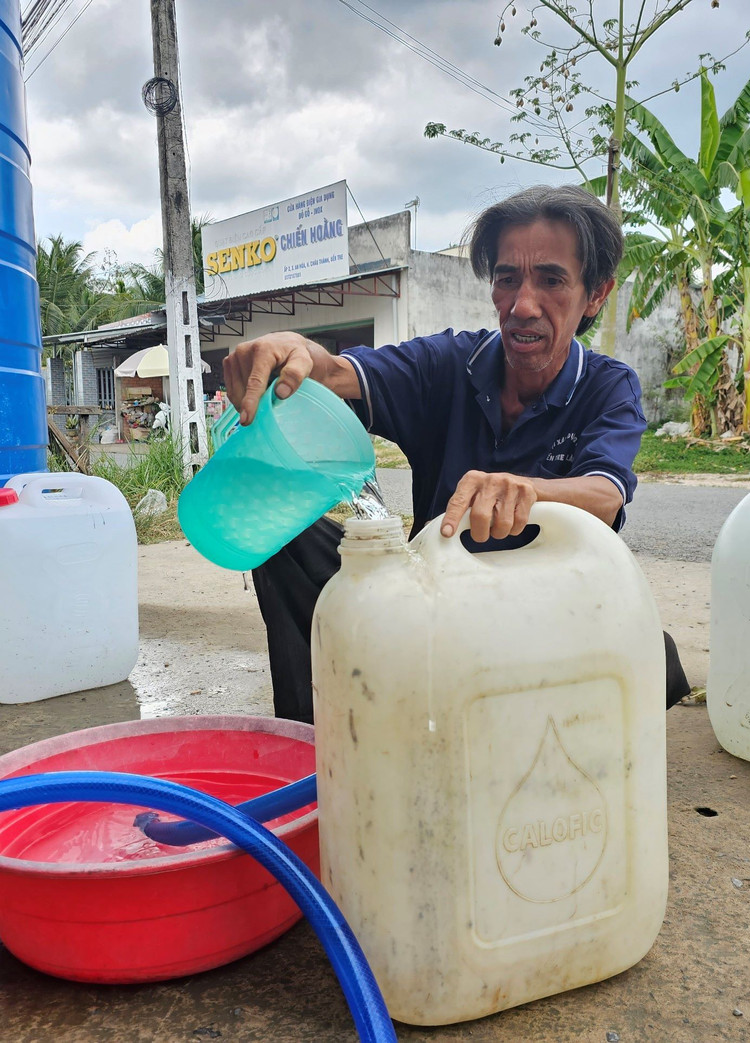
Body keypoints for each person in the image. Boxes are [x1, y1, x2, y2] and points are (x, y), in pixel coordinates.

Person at [223, 184, 691, 723]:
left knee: (656, 656)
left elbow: (605, 496)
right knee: (291, 534)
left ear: (595, 295)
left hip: (541, 615)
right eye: (507, 278)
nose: (522, 305)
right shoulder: (447, 363)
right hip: (426, 601)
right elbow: (337, 373)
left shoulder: (609, 386)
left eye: (552, 280)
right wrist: (296, 353)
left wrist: (527, 490)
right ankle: (316, 744)